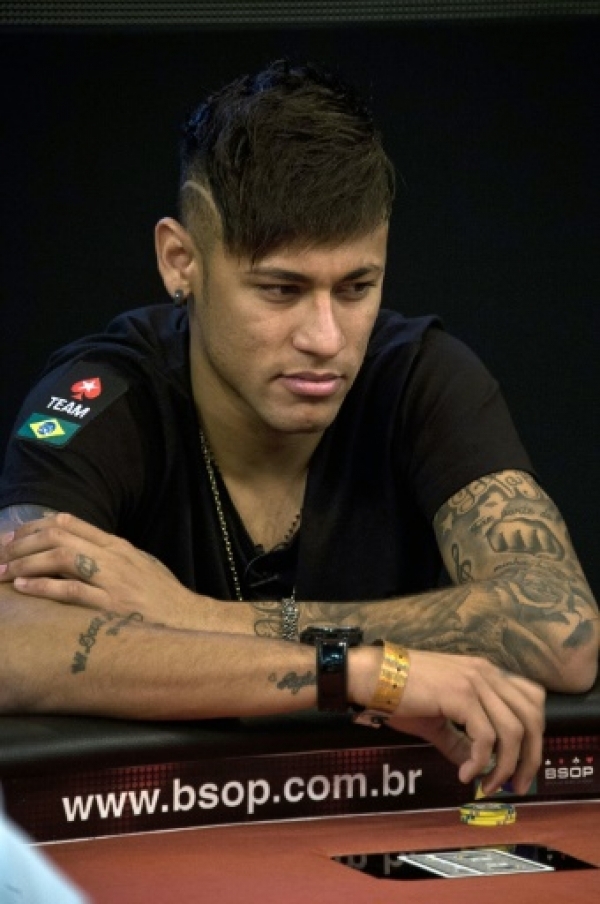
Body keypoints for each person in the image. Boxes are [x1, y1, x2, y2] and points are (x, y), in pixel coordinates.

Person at [0, 60, 596, 800]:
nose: (325, 338)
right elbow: (12, 644)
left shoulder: (420, 376)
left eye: (356, 288)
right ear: (180, 260)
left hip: (366, 819)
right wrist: (363, 672)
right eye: (280, 289)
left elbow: (562, 631)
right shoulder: (99, 397)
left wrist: (199, 618)